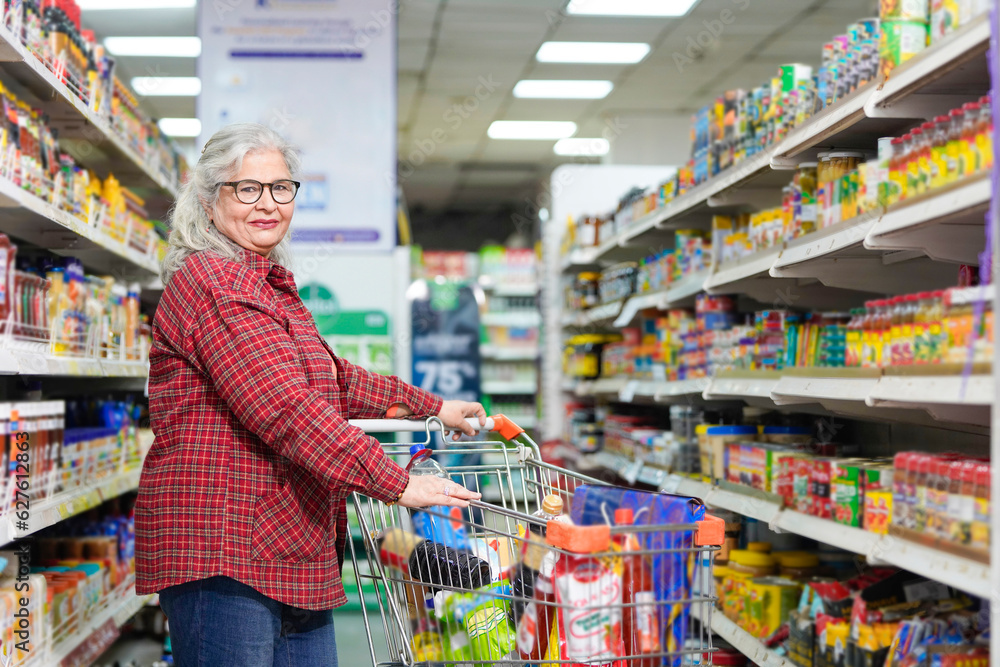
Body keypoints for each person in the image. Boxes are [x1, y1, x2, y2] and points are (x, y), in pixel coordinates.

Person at [135, 122, 484, 667]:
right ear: (208, 202)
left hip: (287, 543)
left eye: (280, 188)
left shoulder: (266, 281)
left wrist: (435, 407)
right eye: (246, 189)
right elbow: (286, 409)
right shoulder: (214, 284)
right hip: (225, 548)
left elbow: (333, 380)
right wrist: (397, 483)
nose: (267, 204)